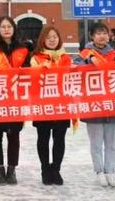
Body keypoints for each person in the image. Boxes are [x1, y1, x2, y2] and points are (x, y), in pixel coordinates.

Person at [0, 16, 30, 185]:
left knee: (14, 136)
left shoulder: (23, 49)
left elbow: (29, 69)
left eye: (9, 26)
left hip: (16, 98)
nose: (6, 29)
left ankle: (11, 169)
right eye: (3, 27)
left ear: (14, 29)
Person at [79, 22, 115, 187]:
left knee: (112, 143)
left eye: (104, 33)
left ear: (109, 36)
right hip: (93, 104)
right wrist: (88, 61)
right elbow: (75, 69)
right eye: (98, 33)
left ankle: (110, 171)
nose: (102, 36)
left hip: (113, 103)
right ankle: (99, 171)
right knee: (96, 143)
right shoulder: (85, 53)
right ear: (92, 36)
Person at [30, 26, 72, 186]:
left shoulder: (66, 58)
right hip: (43, 104)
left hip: (62, 103)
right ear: (43, 40)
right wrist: (41, 69)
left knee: (59, 138)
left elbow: (70, 76)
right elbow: (32, 78)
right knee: (43, 137)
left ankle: (56, 169)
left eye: (55, 36)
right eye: (48, 37)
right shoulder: (36, 58)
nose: (52, 40)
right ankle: (45, 169)